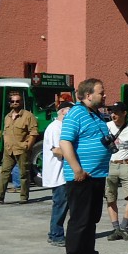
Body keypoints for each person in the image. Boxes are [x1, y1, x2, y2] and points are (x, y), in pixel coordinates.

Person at [60, 78, 114, 254]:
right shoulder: (76, 113)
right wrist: (77, 169)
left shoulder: (96, 114)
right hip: (82, 176)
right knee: (80, 219)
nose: (105, 95)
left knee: (92, 218)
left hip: (97, 174)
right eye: (101, 92)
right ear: (88, 95)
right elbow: (65, 142)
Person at [0, 91, 39, 203]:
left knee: (23, 174)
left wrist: (28, 146)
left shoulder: (28, 116)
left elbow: (33, 133)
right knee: (4, 172)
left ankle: (24, 197)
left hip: (22, 149)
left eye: (17, 101)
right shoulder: (7, 117)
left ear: (21, 102)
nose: (15, 103)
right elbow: (5, 132)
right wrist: (6, 144)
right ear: (10, 103)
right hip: (9, 150)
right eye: (13, 101)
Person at [104, 103, 128, 242]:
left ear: (124, 113)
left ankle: (124, 227)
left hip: (125, 165)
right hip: (110, 165)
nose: (113, 115)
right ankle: (116, 229)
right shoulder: (107, 126)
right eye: (111, 112)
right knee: (110, 197)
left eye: (116, 112)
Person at [43, 101, 72, 246]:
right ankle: (55, 235)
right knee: (60, 205)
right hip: (58, 174)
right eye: (70, 111)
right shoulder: (55, 128)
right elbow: (57, 150)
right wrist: (75, 155)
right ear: (62, 111)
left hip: (64, 173)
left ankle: (58, 233)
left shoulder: (62, 127)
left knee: (64, 205)